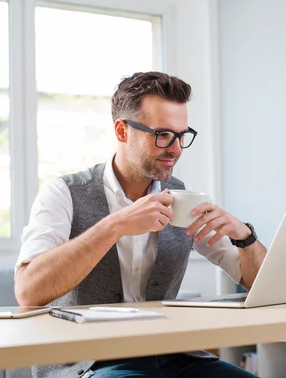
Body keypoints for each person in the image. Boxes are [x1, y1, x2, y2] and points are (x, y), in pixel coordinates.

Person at [14, 71, 268, 378]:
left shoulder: (181, 198)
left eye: (181, 135)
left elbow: (259, 282)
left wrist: (244, 237)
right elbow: (28, 291)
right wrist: (116, 225)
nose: (175, 148)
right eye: (162, 134)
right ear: (122, 130)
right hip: (89, 362)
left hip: (173, 356)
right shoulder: (64, 193)